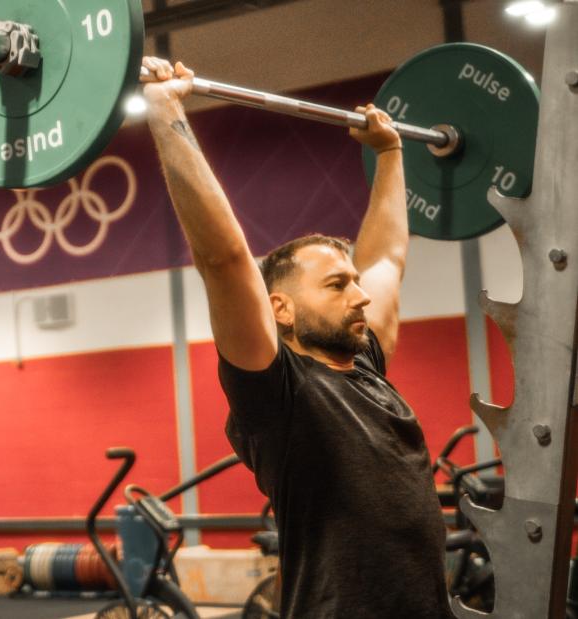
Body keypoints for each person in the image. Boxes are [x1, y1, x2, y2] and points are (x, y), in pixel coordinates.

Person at [140, 57, 454, 618]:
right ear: (278, 308)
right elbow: (224, 258)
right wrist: (165, 110)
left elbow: (386, 258)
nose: (360, 296)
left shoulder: (364, 369)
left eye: (354, 283)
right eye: (337, 285)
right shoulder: (278, 395)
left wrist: (390, 154)